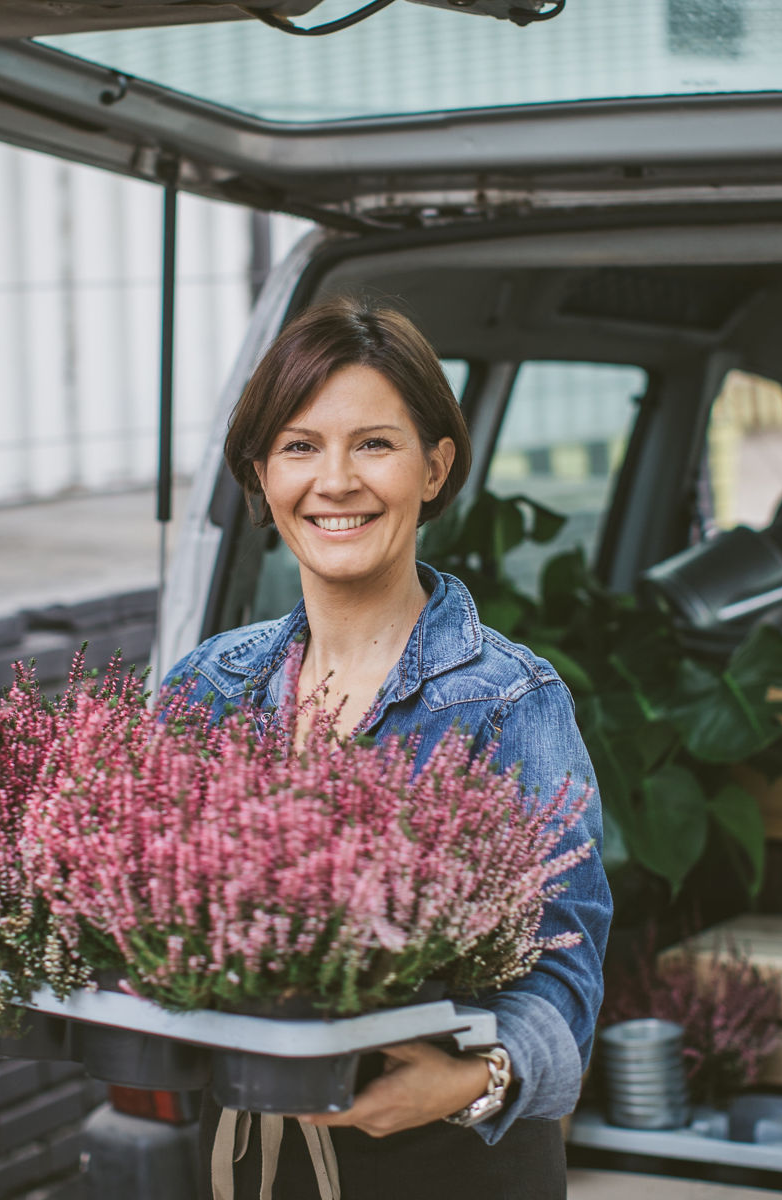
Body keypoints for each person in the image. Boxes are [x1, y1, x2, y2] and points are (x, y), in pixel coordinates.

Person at [161, 294, 611, 1200]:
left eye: (374, 443)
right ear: (260, 475)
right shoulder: (207, 687)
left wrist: (475, 1080)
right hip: (242, 1161)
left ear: (435, 467)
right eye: (298, 446)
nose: (335, 482)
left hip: (446, 1164)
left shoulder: (507, 701)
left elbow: (566, 965)